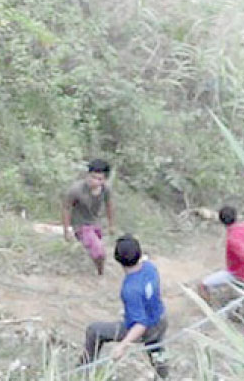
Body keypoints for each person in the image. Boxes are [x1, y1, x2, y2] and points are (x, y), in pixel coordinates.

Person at [79, 235, 169, 378]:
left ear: (117, 259)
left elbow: (141, 324)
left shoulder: (130, 289)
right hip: (161, 319)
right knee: (155, 347)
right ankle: (163, 375)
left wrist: (123, 346)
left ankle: (83, 372)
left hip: (145, 327)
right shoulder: (150, 268)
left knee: (94, 331)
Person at [62, 159, 114, 276]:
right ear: (88, 175)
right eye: (92, 177)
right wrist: (67, 230)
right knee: (99, 252)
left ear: (104, 180)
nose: (94, 181)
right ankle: (100, 274)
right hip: (80, 225)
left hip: (95, 223)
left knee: (96, 245)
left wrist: (111, 225)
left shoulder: (105, 190)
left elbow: (109, 205)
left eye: (99, 179)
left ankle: (97, 267)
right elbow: (66, 207)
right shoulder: (76, 190)